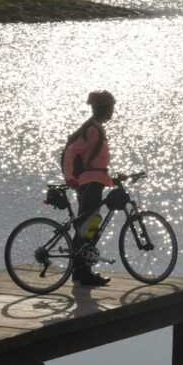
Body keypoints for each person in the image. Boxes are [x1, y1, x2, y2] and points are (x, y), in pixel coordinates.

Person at [63, 90, 117, 287]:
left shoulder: (94, 128)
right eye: (110, 108)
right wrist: (70, 178)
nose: (112, 112)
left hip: (95, 180)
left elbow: (94, 160)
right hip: (91, 183)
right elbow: (71, 152)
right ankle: (83, 273)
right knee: (87, 226)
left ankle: (80, 272)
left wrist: (109, 178)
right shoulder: (92, 129)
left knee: (86, 225)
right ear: (102, 108)